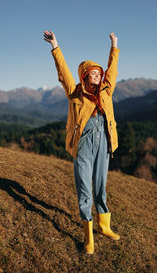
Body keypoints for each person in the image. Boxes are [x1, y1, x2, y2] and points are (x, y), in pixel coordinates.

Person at [43, 30, 120, 254]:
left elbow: (113, 70)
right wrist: (55, 46)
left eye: (99, 73)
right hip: (84, 146)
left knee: (100, 188)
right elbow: (64, 72)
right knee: (85, 191)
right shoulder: (75, 92)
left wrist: (114, 45)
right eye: (93, 73)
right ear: (85, 76)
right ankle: (89, 237)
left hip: (104, 143)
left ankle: (104, 226)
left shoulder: (107, 91)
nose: (98, 75)